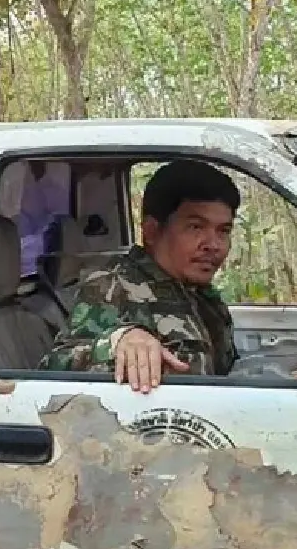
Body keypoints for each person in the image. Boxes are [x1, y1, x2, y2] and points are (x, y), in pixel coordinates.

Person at [41, 160, 242, 392]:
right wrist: (119, 341)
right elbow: (55, 366)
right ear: (152, 231)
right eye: (196, 227)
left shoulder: (200, 292)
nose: (213, 245)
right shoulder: (113, 285)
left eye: (223, 231)